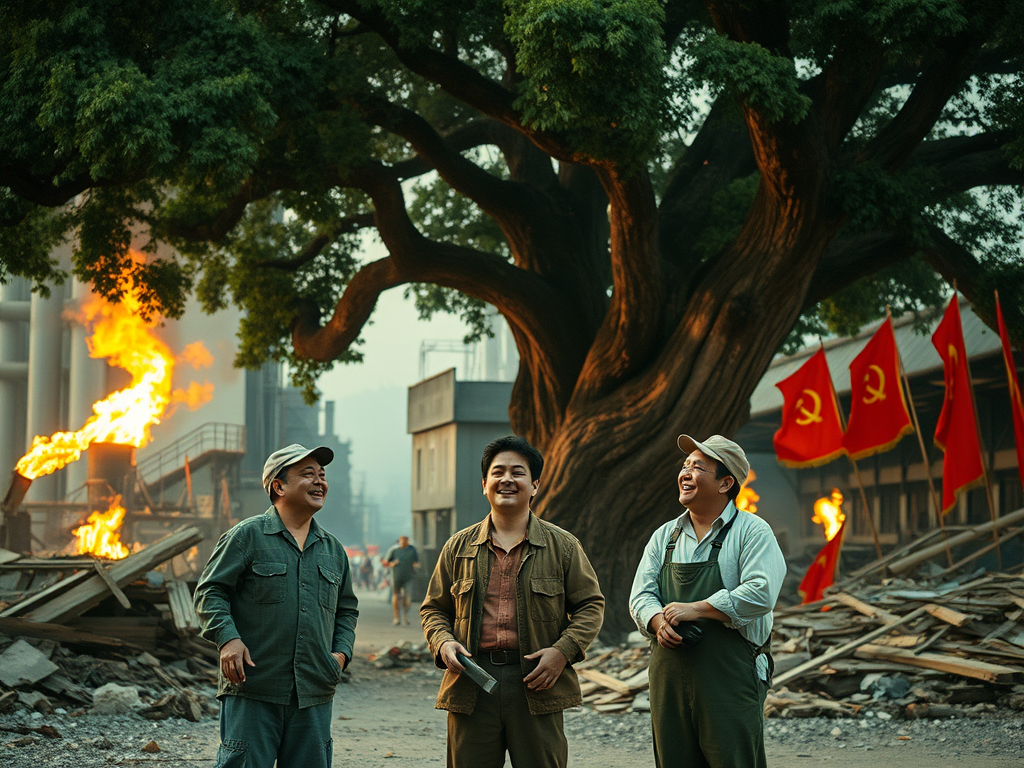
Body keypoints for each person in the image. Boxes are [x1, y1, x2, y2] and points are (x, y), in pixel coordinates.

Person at [421, 435, 605, 768]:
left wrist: (562, 652)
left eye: (518, 473)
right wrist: (444, 644)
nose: (507, 479)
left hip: (537, 682)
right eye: (498, 472)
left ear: (534, 485)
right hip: (471, 682)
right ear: (484, 484)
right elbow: (434, 609)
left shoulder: (562, 547)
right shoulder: (457, 547)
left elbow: (591, 605)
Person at [194, 444, 358, 768]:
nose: (319, 482)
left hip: (313, 691)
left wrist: (339, 656)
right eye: (308, 474)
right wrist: (228, 639)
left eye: (322, 475)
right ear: (278, 486)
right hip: (254, 688)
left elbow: (347, 610)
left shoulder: (333, 550)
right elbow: (209, 592)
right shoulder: (246, 536)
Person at [629, 434, 786, 768]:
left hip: (729, 676)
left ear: (725, 482)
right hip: (668, 675)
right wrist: (658, 622)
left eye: (698, 467)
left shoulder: (752, 532)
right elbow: (640, 595)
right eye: (685, 465)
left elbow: (761, 592)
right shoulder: (664, 536)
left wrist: (696, 608)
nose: (685, 473)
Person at [382, 535, 420, 624]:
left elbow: (416, 561)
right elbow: (385, 563)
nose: (404, 542)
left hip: (408, 576)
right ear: (399, 541)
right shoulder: (394, 550)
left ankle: (405, 615)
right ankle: (397, 617)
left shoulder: (412, 550)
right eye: (402, 540)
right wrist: (393, 563)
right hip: (396, 576)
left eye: (406, 540)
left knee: (408, 598)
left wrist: (416, 565)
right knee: (396, 595)